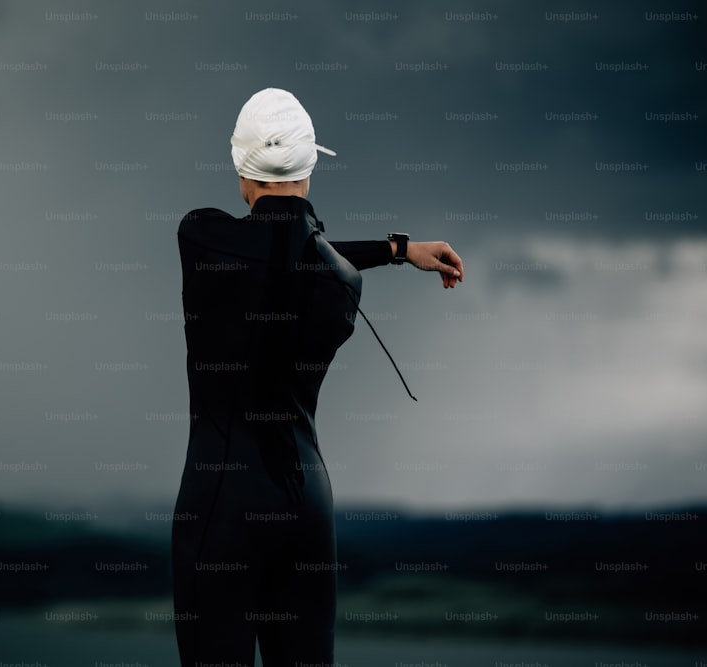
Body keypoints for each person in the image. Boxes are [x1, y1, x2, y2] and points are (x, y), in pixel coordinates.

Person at [171, 88, 464, 667]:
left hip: (222, 501)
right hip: (307, 504)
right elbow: (307, 253)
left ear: (239, 166)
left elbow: (268, 246)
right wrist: (401, 250)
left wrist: (398, 249)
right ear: (310, 168)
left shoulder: (201, 236)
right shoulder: (344, 282)